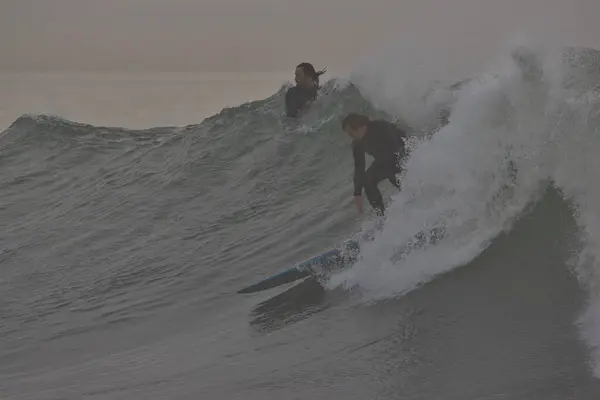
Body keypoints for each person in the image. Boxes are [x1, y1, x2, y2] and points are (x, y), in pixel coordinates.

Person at [342, 113, 407, 216]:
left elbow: (397, 144)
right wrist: (357, 194)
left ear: (358, 127)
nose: (351, 137)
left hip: (403, 152)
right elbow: (359, 168)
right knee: (367, 180)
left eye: (351, 133)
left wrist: (398, 164)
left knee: (395, 177)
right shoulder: (357, 144)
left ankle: (413, 195)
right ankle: (382, 216)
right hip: (384, 161)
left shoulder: (380, 126)